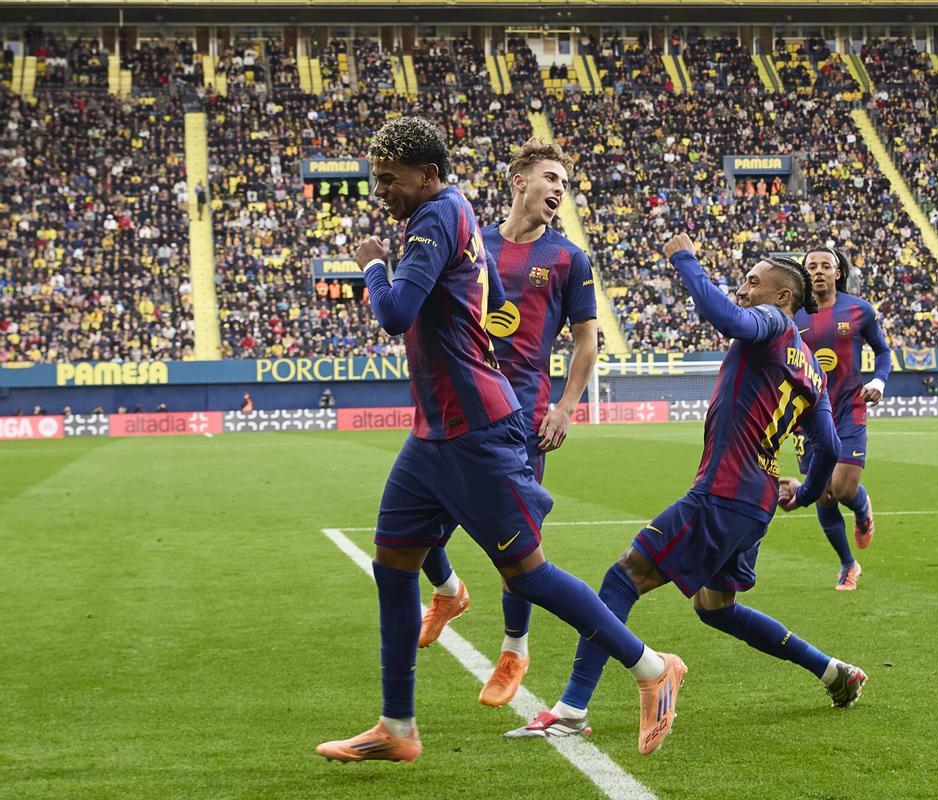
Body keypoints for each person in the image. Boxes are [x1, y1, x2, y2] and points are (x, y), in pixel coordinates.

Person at [315, 116, 686, 764]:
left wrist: (374, 266)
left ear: (426, 175)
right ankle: (397, 726)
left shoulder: (437, 216)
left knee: (529, 575)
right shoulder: (443, 215)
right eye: (376, 180)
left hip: (475, 432)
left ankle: (653, 669)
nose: (381, 191)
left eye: (388, 180)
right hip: (435, 432)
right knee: (393, 563)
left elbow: (395, 313)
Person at [506, 235, 866, 741]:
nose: (742, 288)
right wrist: (805, 492)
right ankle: (833, 671)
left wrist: (683, 258)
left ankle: (571, 710)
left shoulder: (773, 324)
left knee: (623, 576)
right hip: (756, 500)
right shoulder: (811, 367)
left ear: (783, 295)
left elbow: (731, 320)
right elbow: (827, 445)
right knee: (715, 608)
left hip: (723, 492)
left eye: (754, 281)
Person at [416, 137, 600, 709]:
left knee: (516, 552)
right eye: (551, 178)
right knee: (414, 528)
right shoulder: (475, 244)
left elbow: (588, 340)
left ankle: (515, 648)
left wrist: (567, 406)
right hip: (458, 407)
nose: (560, 190)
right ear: (519, 180)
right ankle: (448, 592)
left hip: (522, 420)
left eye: (565, 184)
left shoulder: (569, 258)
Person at [793, 247, 891, 591]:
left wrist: (878, 380)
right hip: (808, 415)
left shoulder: (858, 309)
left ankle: (862, 508)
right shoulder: (791, 314)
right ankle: (848, 564)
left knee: (843, 488)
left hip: (849, 409)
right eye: (811, 266)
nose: (818, 271)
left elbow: (882, 352)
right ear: (804, 274)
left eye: (825, 266)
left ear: (837, 272)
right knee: (823, 493)